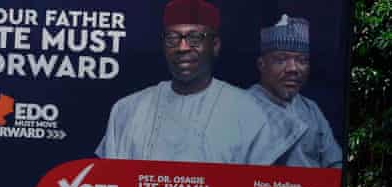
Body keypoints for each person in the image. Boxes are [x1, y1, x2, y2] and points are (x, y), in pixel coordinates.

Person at [96, 0, 295, 165]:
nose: (182, 47)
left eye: (195, 38)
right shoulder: (127, 109)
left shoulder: (250, 113)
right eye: (172, 38)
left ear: (215, 45)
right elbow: (110, 185)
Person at [248, 15, 344, 168]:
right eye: (281, 59)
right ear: (261, 64)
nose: (293, 68)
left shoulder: (311, 109)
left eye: (302, 60)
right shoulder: (242, 106)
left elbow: (335, 163)